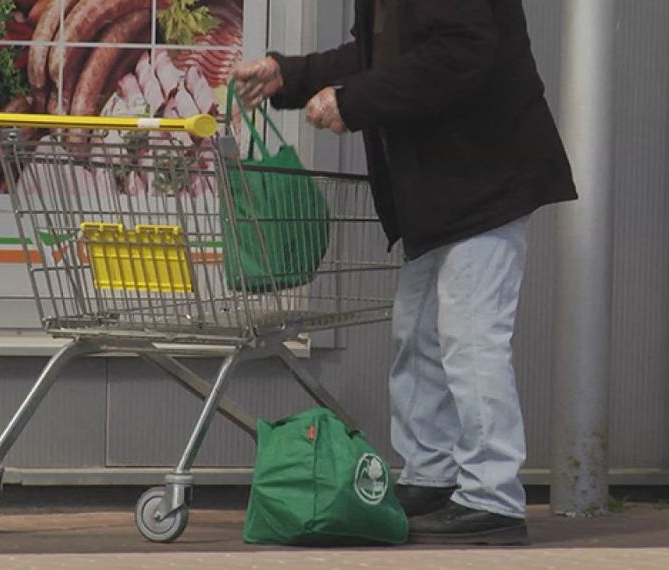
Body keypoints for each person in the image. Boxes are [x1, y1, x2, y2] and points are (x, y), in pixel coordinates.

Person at [233, 0, 576, 545]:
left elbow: (462, 52)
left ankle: (493, 498)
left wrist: (354, 101)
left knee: (470, 338)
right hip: (441, 187)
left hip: (485, 177)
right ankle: (433, 477)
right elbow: (371, 55)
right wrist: (289, 75)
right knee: (416, 336)